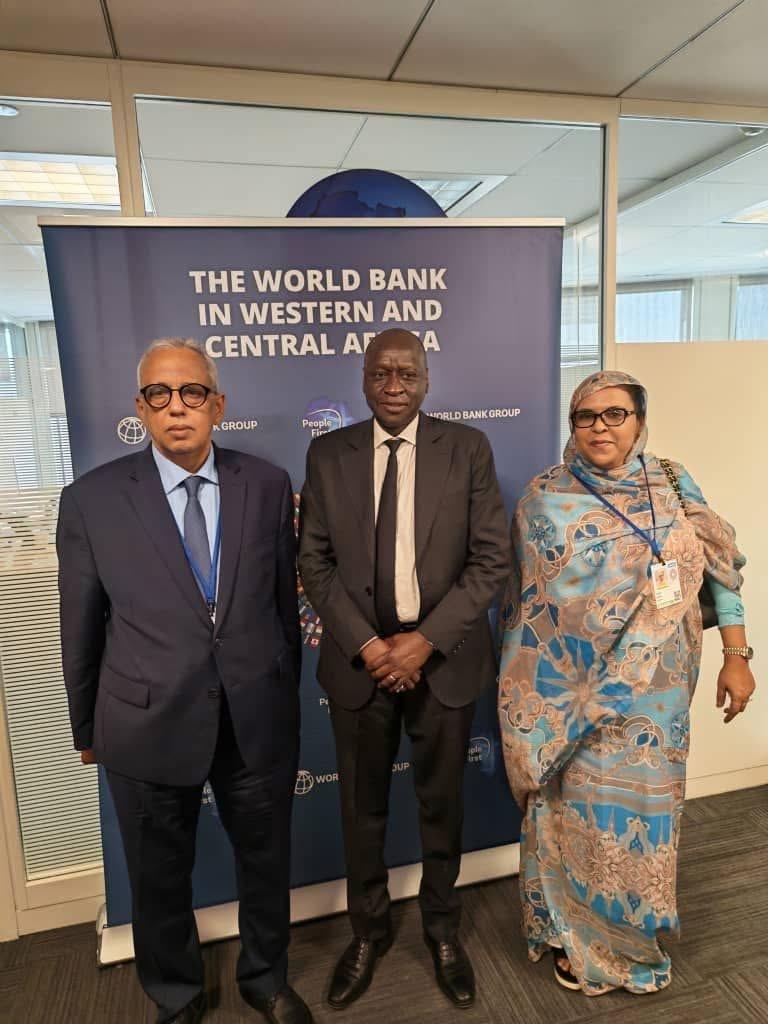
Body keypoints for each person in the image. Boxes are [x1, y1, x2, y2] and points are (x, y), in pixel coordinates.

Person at [56, 338, 312, 1024]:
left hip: (254, 717)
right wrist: (85, 726)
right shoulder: (91, 501)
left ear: (217, 405)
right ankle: (175, 992)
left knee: (265, 863)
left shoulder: (267, 484)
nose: (177, 407)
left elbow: (283, 608)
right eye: (159, 394)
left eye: (191, 392)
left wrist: (283, 698)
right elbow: (80, 625)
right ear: (140, 408)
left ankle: (266, 979)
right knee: (158, 874)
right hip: (143, 721)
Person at [498, 369, 755, 997]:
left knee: (646, 815)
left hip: (660, 694)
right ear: (572, 425)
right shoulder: (543, 497)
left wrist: (737, 653)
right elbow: (532, 608)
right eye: (586, 416)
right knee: (578, 812)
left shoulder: (671, 480)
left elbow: (719, 568)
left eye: (616, 414)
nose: (600, 427)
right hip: (574, 696)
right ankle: (576, 935)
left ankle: (631, 937)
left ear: (639, 421)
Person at [298, 328, 510, 1011]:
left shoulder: (468, 448)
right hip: (358, 666)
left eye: (407, 373)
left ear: (426, 379)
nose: (394, 386)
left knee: (442, 808)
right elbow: (313, 562)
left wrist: (423, 643)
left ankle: (443, 932)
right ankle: (368, 933)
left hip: (443, 664)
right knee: (361, 812)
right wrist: (369, 646)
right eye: (381, 373)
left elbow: (491, 560)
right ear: (364, 378)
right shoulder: (328, 453)